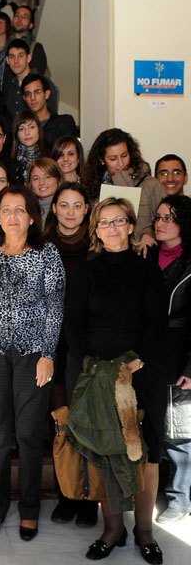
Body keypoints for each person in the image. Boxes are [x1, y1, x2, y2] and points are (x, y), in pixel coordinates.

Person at [64, 196, 167, 563]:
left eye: (117, 221)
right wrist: (92, 365)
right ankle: (112, 529)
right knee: (105, 451)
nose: (111, 228)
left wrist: (135, 363)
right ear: (97, 231)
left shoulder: (148, 271)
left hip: (142, 372)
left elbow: (157, 323)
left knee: (147, 452)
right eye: (103, 222)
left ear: (129, 225)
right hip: (96, 375)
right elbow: (73, 324)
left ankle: (144, 530)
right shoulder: (87, 272)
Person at [0, 184, 65, 540]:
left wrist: (48, 355)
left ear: (32, 215)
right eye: (6, 210)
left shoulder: (47, 254)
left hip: (33, 354)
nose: (12, 216)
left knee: (29, 435)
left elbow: (55, 308)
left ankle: (30, 508)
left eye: (20, 209)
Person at [43, 182, 96, 527]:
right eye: (65, 205)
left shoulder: (98, 249)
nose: (71, 212)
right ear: (55, 208)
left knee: (90, 421)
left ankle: (90, 498)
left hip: (90, 346)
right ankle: (66, 494)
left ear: (87, 209)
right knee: (62, 422)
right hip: (52, 346)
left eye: (78, 205)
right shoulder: (42, 247)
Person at [149, 196, 191, 525]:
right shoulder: (147, 256)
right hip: (150, 352)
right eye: (159, 216)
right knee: (153, 425)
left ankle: (180, 498)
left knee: (179, 431)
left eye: (169, 218)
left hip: (181, 352)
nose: (160, 223)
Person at [82, 128, 165, 245]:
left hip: (141, 252)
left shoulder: (150, 184)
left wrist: (149, 232)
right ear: (102, 160)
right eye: (113, 159)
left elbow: (165, 220)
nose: (120, 163)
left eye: (124, 156)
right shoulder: (92, 187)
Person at [22, 74, 79, 151]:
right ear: (24, 98)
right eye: (28, 94)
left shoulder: (63, 123)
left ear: (47, 94)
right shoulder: (21, 127)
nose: (32, 98)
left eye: (37, 92)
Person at [11, 110, 45, 183]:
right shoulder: (9, 162)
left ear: (39, 129)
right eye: (21, 129)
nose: (27, 133)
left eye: (32, 127)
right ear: (16, 133)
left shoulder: (50, 157)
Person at [2, 39, 33, 117]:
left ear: (28, 58)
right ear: (7, 60)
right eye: (12, 57)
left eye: (20, 56)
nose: (16, 61)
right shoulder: (8, 86)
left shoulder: (42, 84)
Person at [28, 157, 62, 226]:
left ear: (58, 180)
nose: (41, 183)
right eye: (36, 178)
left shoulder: (66, 207)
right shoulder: (27, 209)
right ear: (30, 184)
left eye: (47, 177)